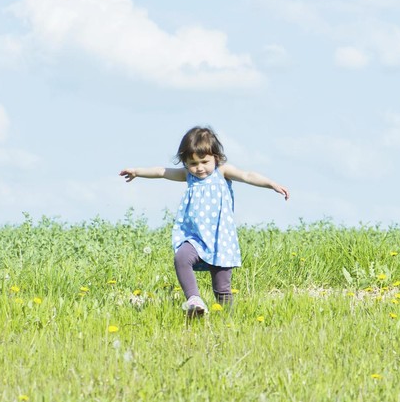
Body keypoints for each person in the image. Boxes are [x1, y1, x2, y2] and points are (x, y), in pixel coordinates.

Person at [120, 126, 289, 317]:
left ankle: (227, 322)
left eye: (204, 162)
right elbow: (161, 171)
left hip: (220, 240)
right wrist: (137, 171)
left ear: (216, 157)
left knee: (222, 289)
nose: (199, 168)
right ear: (185, 162)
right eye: (193, 163)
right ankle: (194, 300)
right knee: (181, 258)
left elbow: (247, 175)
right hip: (195, 238)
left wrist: (271, 184)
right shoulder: (188, 175)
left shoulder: (222, 172)